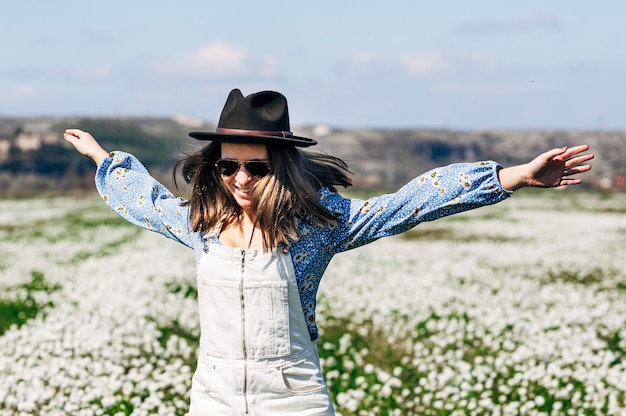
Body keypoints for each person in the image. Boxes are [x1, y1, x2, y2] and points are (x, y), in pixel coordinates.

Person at [64, 88, 594, 415]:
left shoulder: (317, 226)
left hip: (296, 402)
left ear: (283, 166)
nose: (241, 179)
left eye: (257, 167)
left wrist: (512, 177)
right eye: (228, 167)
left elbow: (411, 201)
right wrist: (104, 158)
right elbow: (145, 201)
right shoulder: (200, 225)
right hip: (213, 401)